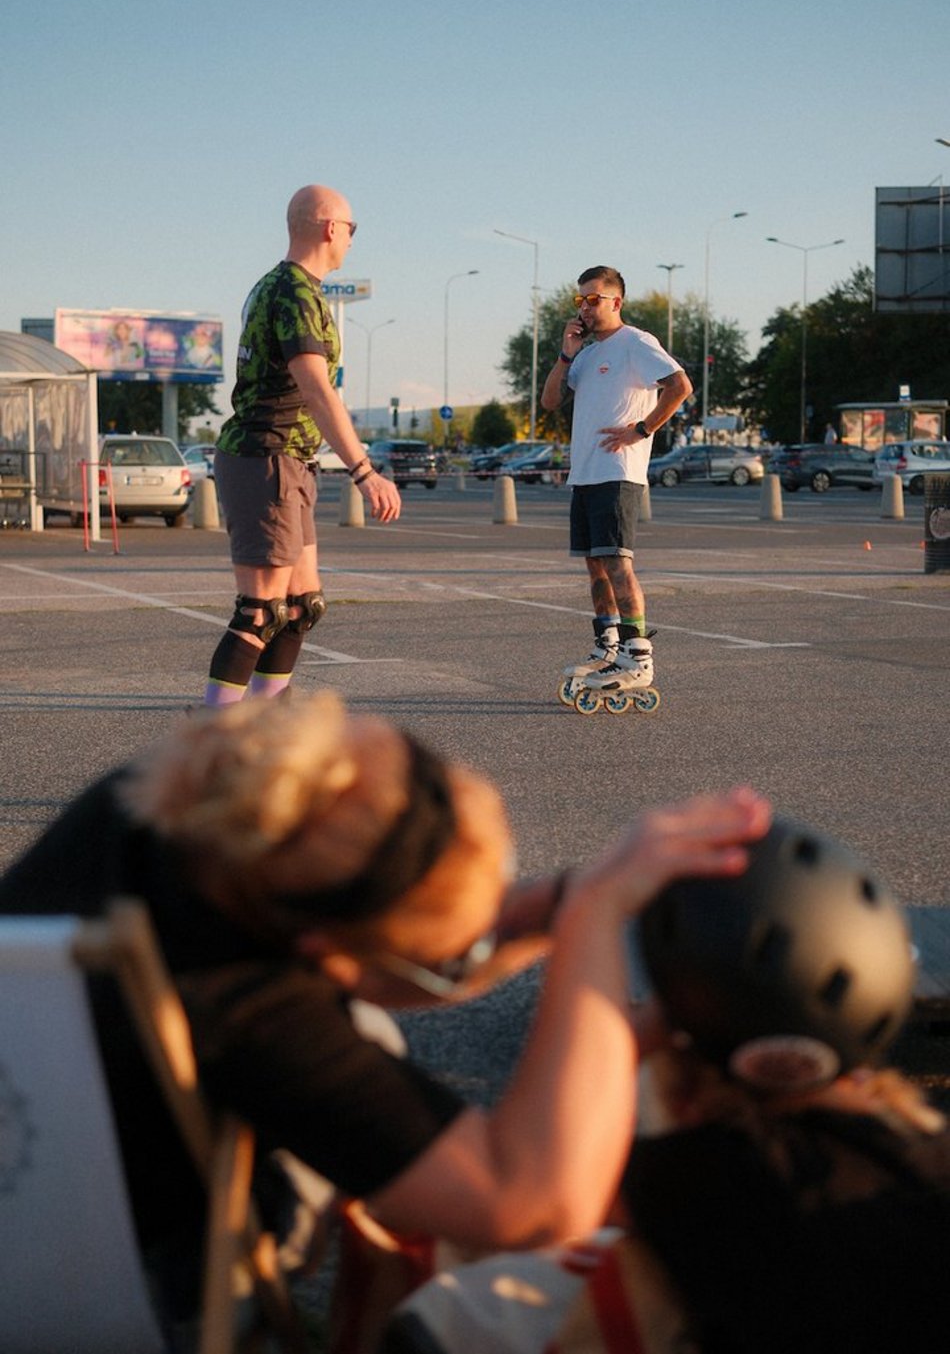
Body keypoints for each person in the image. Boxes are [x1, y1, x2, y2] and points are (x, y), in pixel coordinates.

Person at [0, 690, 770, 1330]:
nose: (466, 967)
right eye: (451, 962)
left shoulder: (173, 810)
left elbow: (381, 934)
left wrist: (565, 900)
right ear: (325, 955)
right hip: (122, 1293)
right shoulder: (246, 1004)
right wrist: (594, 923)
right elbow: (533, 1202)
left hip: (27, 1188)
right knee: (375, 1039)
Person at [385, 814, 950, 1354]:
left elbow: (528, 1190)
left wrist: (619, 1028)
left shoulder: (699, 1183)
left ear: (677, 1062)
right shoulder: (926, 1158)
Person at [206, 184, 401, 706]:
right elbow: (316, 389)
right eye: (352, 229)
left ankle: (268, 719)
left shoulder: (283, 286)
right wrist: (365, 472)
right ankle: (213, 735)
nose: (352, 240)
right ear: (331, 228)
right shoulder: (293, 292)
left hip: (289, 459)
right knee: (260, 610)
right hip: (264, 456)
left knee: (299, 607)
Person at [540, 268, 692, 696]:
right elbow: (549, 401)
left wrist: (642, 429)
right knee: (596, 566)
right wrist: (566, 354)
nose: (585, 308)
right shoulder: (586, 356)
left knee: (618, 565)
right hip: (585, 473)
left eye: (593, 299)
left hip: (617, 472)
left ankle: (638, 657)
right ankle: (608, 646)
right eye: (580, 301)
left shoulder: (636, 343)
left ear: (616, 302)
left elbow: (680, 386)